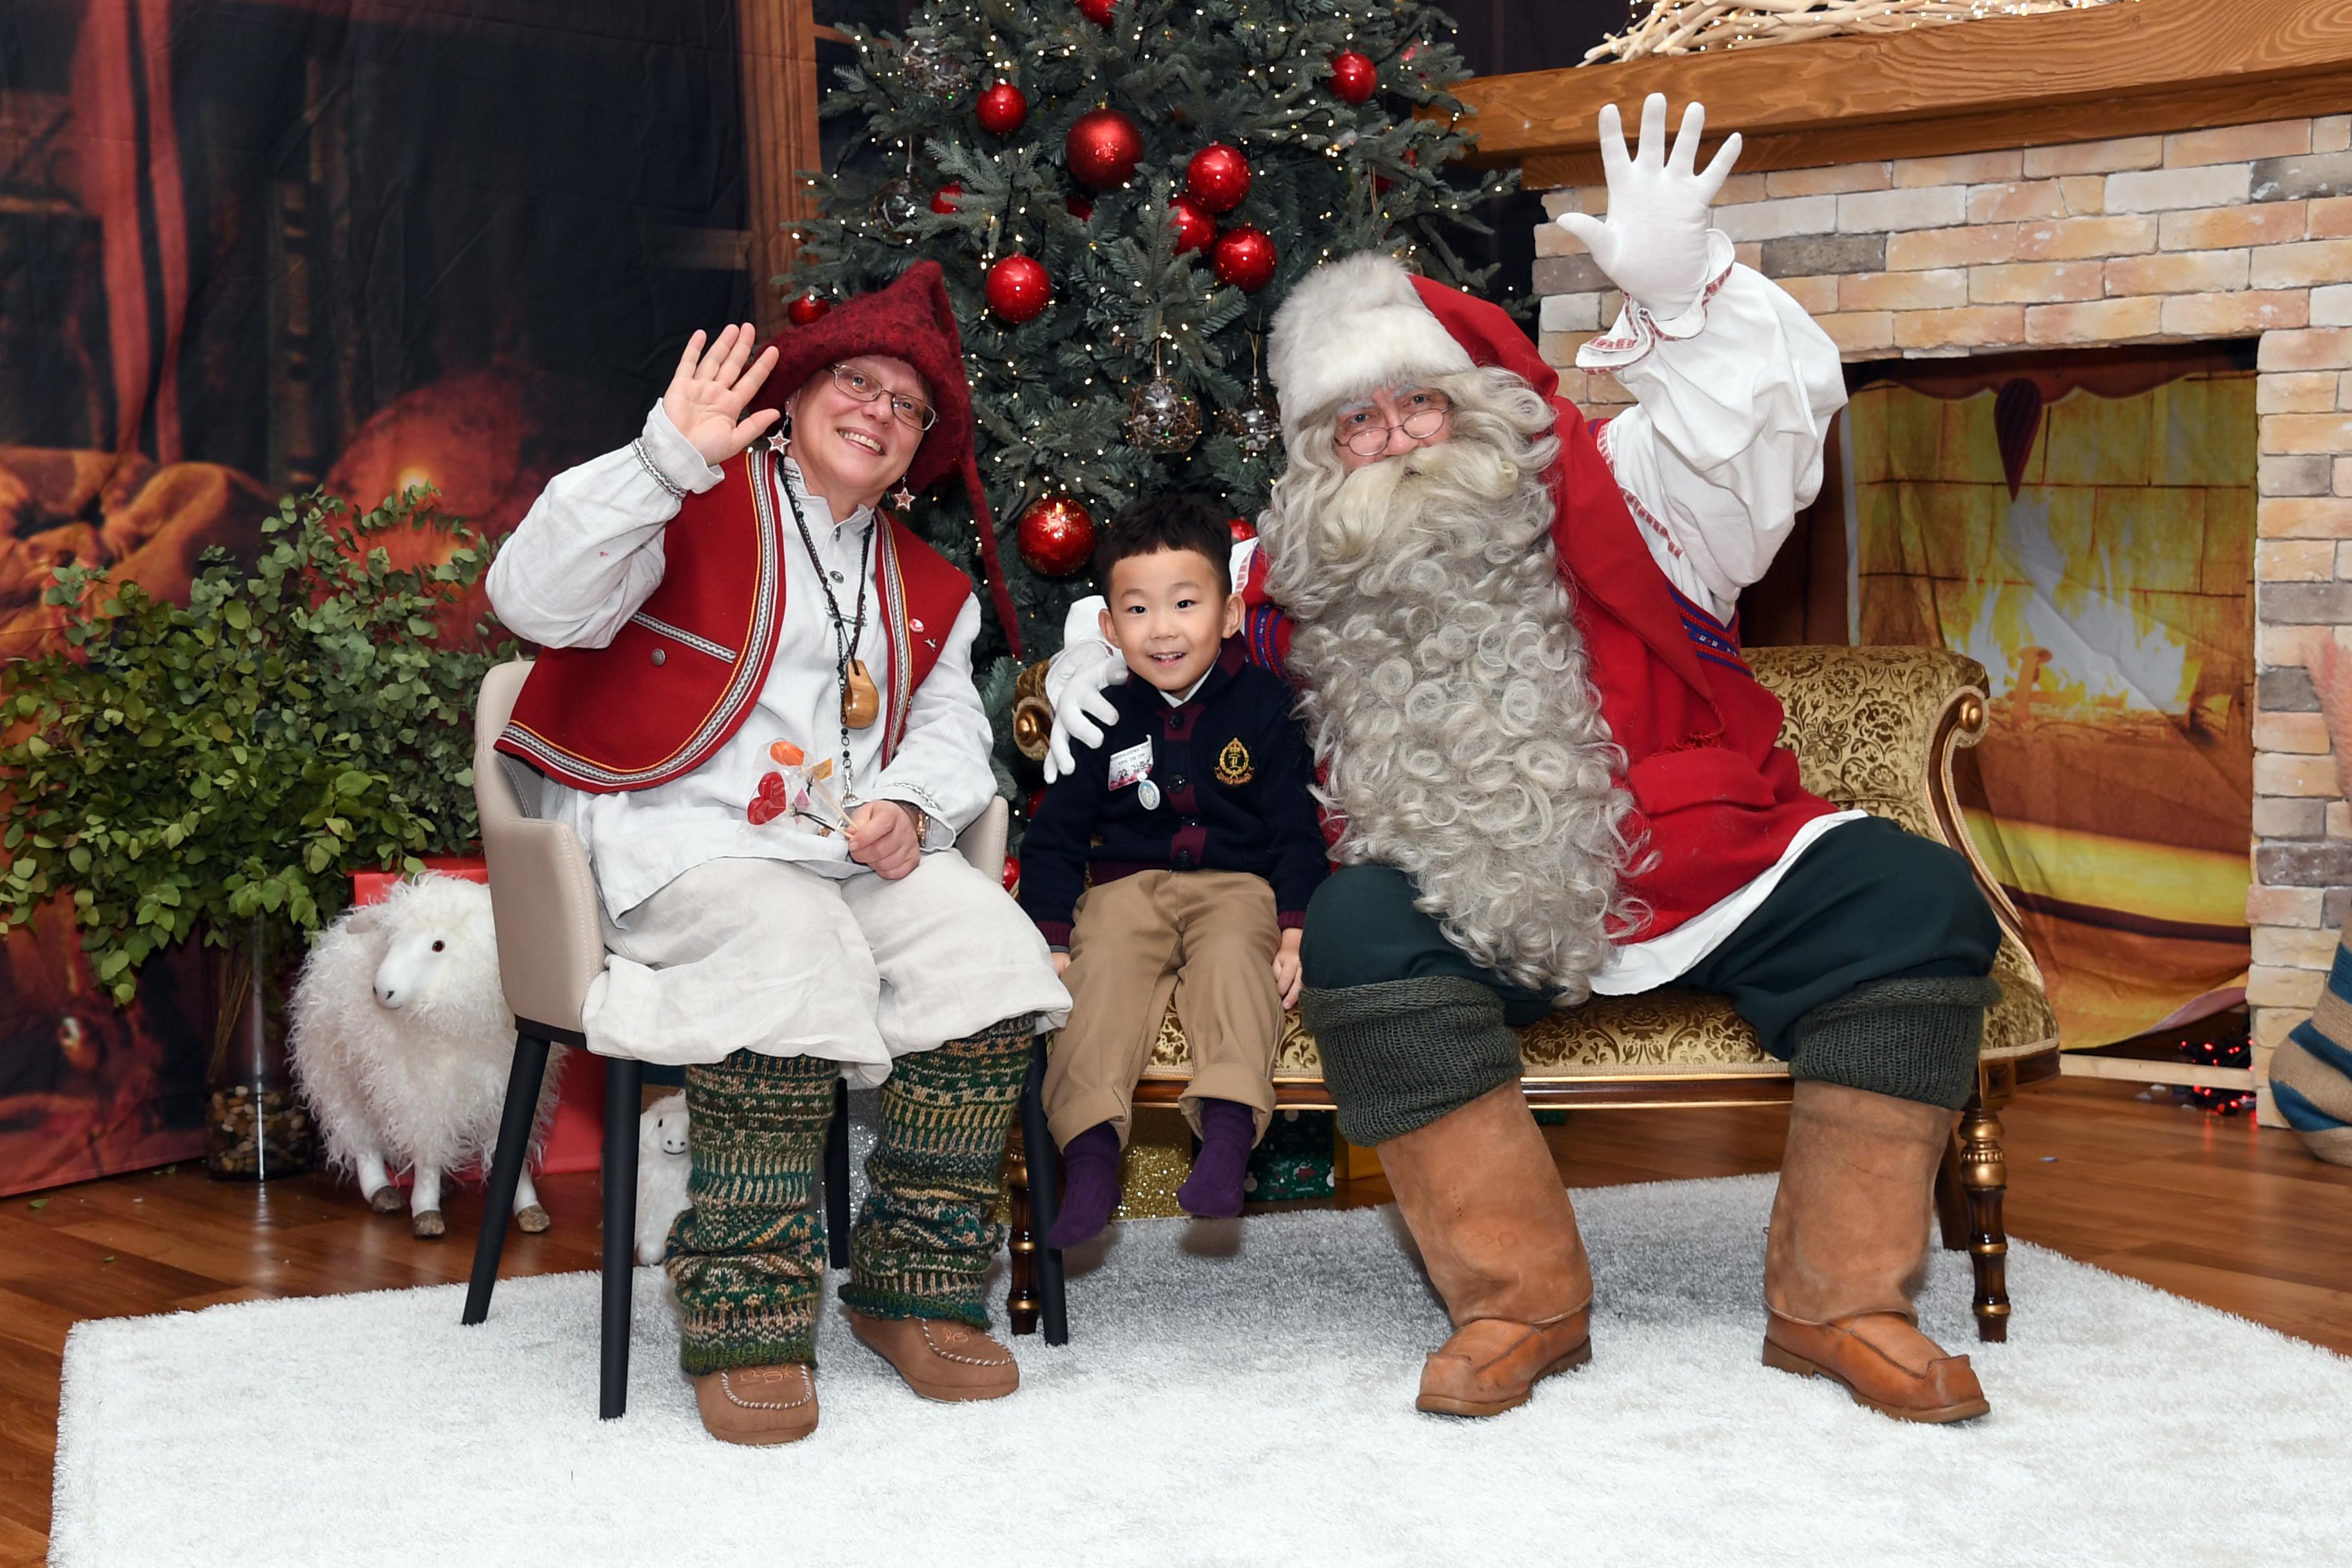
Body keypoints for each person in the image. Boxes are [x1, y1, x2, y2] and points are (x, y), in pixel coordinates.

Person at [1046, 97, 2003, 1424]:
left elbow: (1759, 448)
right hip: (1455, 902)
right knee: (1364, 926)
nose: (1393, 441)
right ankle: (1518, 1299)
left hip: (1682, 863)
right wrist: (1089, 650)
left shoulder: (1629, 499)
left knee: (1917, 898)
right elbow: (1141, 620)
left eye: (1418, 405)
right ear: (1318, 460)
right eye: (1357, 425)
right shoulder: (1283, 579)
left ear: (1477, 410)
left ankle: (1841, 1300)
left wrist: (1689, 302)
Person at [487, 262, 1070, 1446]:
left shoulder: (927, 583)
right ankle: (746, 1313)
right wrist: (662, 458)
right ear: (799, 395)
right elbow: (529, 600)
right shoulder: (684, 496)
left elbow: (952, 722)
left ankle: (911, 1290)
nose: (879, 414)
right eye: (856, 383)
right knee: (787, 946)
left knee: (992, 957)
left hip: (848, 853)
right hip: (681, 839)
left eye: (908, 407)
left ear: (921, 447)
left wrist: (910, 797)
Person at [1017, 495, 1327, 1244]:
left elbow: (1296, 827)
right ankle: (1090, 1154)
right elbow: (1054, 838)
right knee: (1102, 976)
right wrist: (1052, 937)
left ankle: (1224, 1138)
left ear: (1226, 614)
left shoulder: (1263, 704)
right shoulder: (1102, 712)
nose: (1163, 629)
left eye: (1186, 603)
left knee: (1233, 964)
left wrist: (1294, 930)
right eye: (1138, 609)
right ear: (1109, 627)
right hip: (1126, 888)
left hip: (1236, 886)